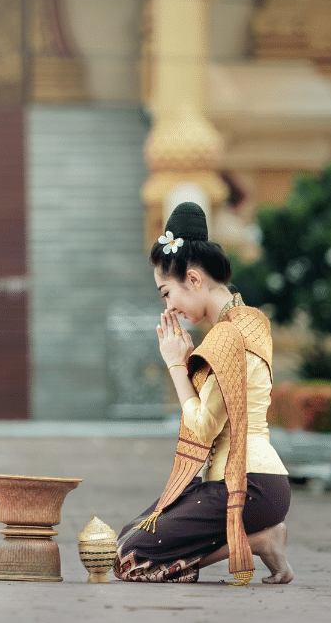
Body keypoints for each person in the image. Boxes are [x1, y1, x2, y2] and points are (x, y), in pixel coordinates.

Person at [112, 201, 292, 585]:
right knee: (129, 535)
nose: (169, 307)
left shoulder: (229, 335)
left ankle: (259, 539)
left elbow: (203, 426)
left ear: (194, 280)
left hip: (248, 483)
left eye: (166, 293)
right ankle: (258, 536)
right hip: (248, 480)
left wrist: (177, 363)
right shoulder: (247, 322)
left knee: (130, 556)